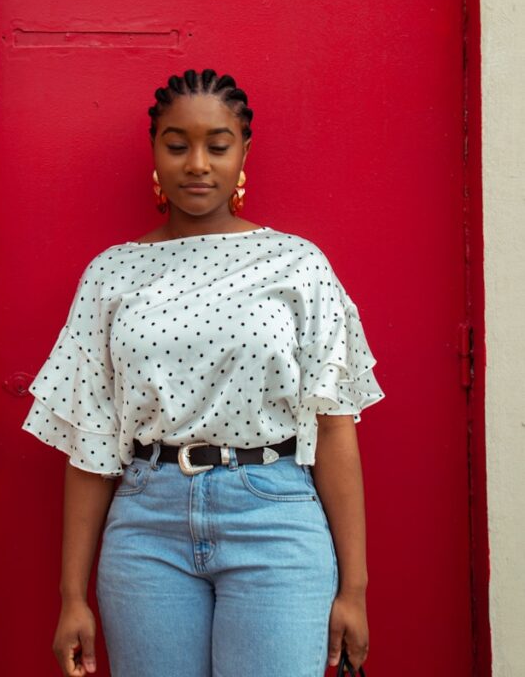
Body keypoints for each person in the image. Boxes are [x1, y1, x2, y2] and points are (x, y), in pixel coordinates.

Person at [22, 68, 385, 677]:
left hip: (274, 519)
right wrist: (71, 597)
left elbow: (334, 426)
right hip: (145, 527)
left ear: (243, 153)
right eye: (177, 145)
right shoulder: (111, 273)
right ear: (155, 152)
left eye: (217, 146)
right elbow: (91, 443)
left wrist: (355, 589)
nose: (197, 164)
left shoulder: (297, 264)